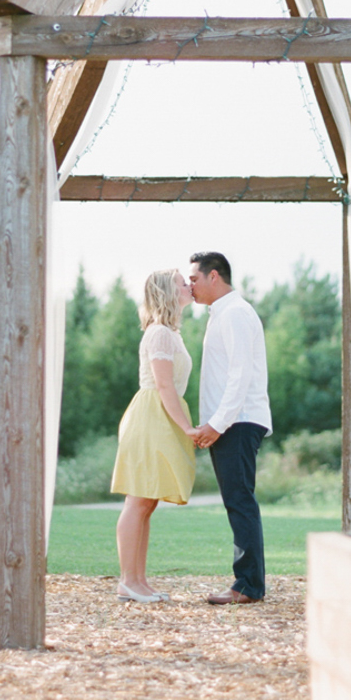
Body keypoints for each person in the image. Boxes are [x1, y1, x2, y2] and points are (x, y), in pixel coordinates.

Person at [189, 251, 272, 605]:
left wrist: (217, 425)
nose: (189, 286)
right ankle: (249, 583)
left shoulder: (236, 313)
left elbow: (241, 375)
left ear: (214, 276)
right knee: (237, 501)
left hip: (235, 423)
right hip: (231, 423)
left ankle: (248, 586)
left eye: (194, 278)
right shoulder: (223, 314)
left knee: (240, 502)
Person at [110, 269, 197, 602]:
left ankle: (139, 580)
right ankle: (128, 580)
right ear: (166, 293)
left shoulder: (170, 333)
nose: (188, 286)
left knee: (148, 502)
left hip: (160, 415)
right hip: (151, 415)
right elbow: (163, 385)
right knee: (138, 499)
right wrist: (187, 427)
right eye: (180, 283)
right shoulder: (159, 333)